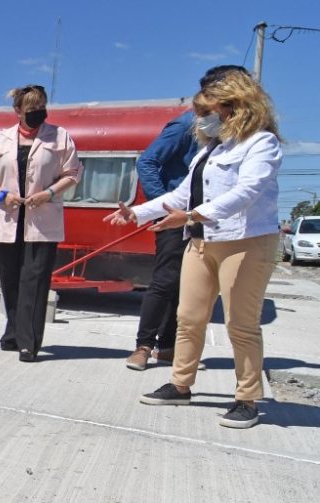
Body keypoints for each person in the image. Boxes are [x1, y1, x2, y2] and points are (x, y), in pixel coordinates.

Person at [105, 71, 281, 429]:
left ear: (236, 107)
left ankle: (246, 398)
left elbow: (247, 192)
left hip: (245, 242)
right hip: (201, 241)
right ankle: (180, 384)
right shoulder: (211, 151)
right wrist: (136, 212)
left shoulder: (262, 143)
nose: (203, 119)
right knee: (189, 317)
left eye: (209, 111)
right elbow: (180, 194)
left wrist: (193, 215)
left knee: (241, 324)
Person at [126, 65, 251, 371]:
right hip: (176, 215)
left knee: (190, 288)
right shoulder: (186, 125)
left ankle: (169, 349)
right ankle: (143, 346)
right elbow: (148, 161)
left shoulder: (236, 134)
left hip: (204, 219)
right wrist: (160, 205)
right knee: (164, 282)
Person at [0, 85, 81, 362]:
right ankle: (12, 332)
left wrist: (48, 193)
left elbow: (73, 174)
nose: (38, 114)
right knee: (9, 281)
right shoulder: (0, 140)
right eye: (32, 110)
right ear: (18, 112)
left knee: (34, 282)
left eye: (42, 108)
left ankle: (29, 342)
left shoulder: (60, 137)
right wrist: (2, 195)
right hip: (8, 219)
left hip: (42, 221)